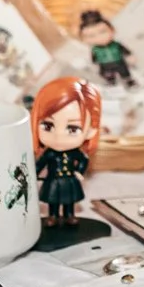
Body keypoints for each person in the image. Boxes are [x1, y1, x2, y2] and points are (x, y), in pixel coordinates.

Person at [31, 77, 102, 228]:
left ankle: (69, 215)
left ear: (91, 130)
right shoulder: (49, 153)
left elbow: (83, 160)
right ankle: (53, 216)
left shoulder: (75, 153)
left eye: (72, 129)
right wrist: (33, 174)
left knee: (69, 200)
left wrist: (79, 171)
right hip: (53, 180)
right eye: (48, 126)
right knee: (53, 201)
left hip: (69, 180)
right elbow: (40, 164)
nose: (59, 136)